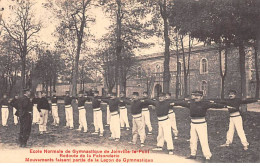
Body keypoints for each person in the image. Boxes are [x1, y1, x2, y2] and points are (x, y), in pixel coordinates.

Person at [172, 91, 232, 162]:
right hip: (193, 124)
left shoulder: (205, 103)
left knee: (203, 140)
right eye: (195, 96)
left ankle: (207, 156)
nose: (196, 97)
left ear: (201, 97)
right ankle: (193, 154)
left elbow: (215, 105)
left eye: (198, 96)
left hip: (201, 124)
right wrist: (174, 103)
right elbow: (182, 103)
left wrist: (225, 106)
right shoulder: (191, 103)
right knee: (192, 140)